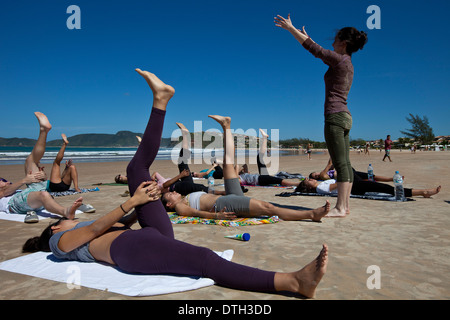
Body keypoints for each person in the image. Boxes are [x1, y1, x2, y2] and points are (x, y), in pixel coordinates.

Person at [22, 68, 328, 298]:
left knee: (137, 168)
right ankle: (294, 282)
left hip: (144, 235)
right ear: (53, 230)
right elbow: (93, 229)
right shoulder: (57, 242)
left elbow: (112, 227)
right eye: (61, 221)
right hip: (133, 251)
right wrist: (132, 202)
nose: (66, 219)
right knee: (204, 261)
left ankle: (160, 100)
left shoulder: (69, 236)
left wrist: (141, 203)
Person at [275, 14, 368, 219]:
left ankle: (341, 208)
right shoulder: (346, 62)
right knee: (344, 163)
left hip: (335, 116)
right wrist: (303, 35)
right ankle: (344, 206)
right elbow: (317, 48)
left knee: (341, 163)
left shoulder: (339, 60)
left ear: (343, 43)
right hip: (344, 116)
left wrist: (291, 29)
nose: (332, 42)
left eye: (335, 39)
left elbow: (314, 50)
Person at [163, 114, 330, 222]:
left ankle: (226, 126)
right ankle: (311, 215)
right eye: (170, 194)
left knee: (228, 162)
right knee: (268, 208)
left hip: (229, 196)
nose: (174, 192)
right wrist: (216, 216)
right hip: (226, 205)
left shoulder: (184, 198)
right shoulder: (179, 207)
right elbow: (197, 214)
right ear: (170, 204)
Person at [0, 112, 85, 223]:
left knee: (30, 160)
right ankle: (66, 211)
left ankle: (44, 131)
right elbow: (4, 193)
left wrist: (43, 178)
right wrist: (24, 180)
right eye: (2, 181)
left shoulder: (17, 190)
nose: (7, 182)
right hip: (15, 204)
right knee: (44, 192)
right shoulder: (5, 194)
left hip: (29, 196)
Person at [151, 122, 226, 196]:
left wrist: (152, 177)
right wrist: (180, 176)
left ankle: (185, 135)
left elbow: (156, 173)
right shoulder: (155, 188)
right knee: (200, 188)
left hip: (183, 182)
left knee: (182, 160)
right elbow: (165, 185)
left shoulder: (158, 181)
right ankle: (222, 193)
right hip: (179, 188)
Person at [297, 178, 441, 213]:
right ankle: (424, 192)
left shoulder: (320, 184)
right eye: (308, 181)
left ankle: (423, 192)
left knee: (386, 188)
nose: (311, 179)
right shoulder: (321, 188)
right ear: (308, 186)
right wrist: (342, 174)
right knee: (387, 189)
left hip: (354, 184)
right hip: (354, 187)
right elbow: (338, 184)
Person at [309, 158, 396, 182]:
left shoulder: (326, 172)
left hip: (348, 171)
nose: (317, 175)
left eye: (315, 173)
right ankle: (390, 179)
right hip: (346, 174)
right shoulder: (323, 175)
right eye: (315, 176)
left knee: (371, 176)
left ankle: (391, 179)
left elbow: (332, 165)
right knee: (369, 179)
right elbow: (329, 164)